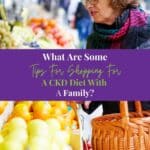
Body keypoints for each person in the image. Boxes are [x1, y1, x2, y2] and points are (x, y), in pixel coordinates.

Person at [81, 0, 150, 114]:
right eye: (87, 0)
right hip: (115, 128)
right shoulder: (94, 40)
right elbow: (92, 100)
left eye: (95, 0)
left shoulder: (146, 29)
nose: (88, 5)